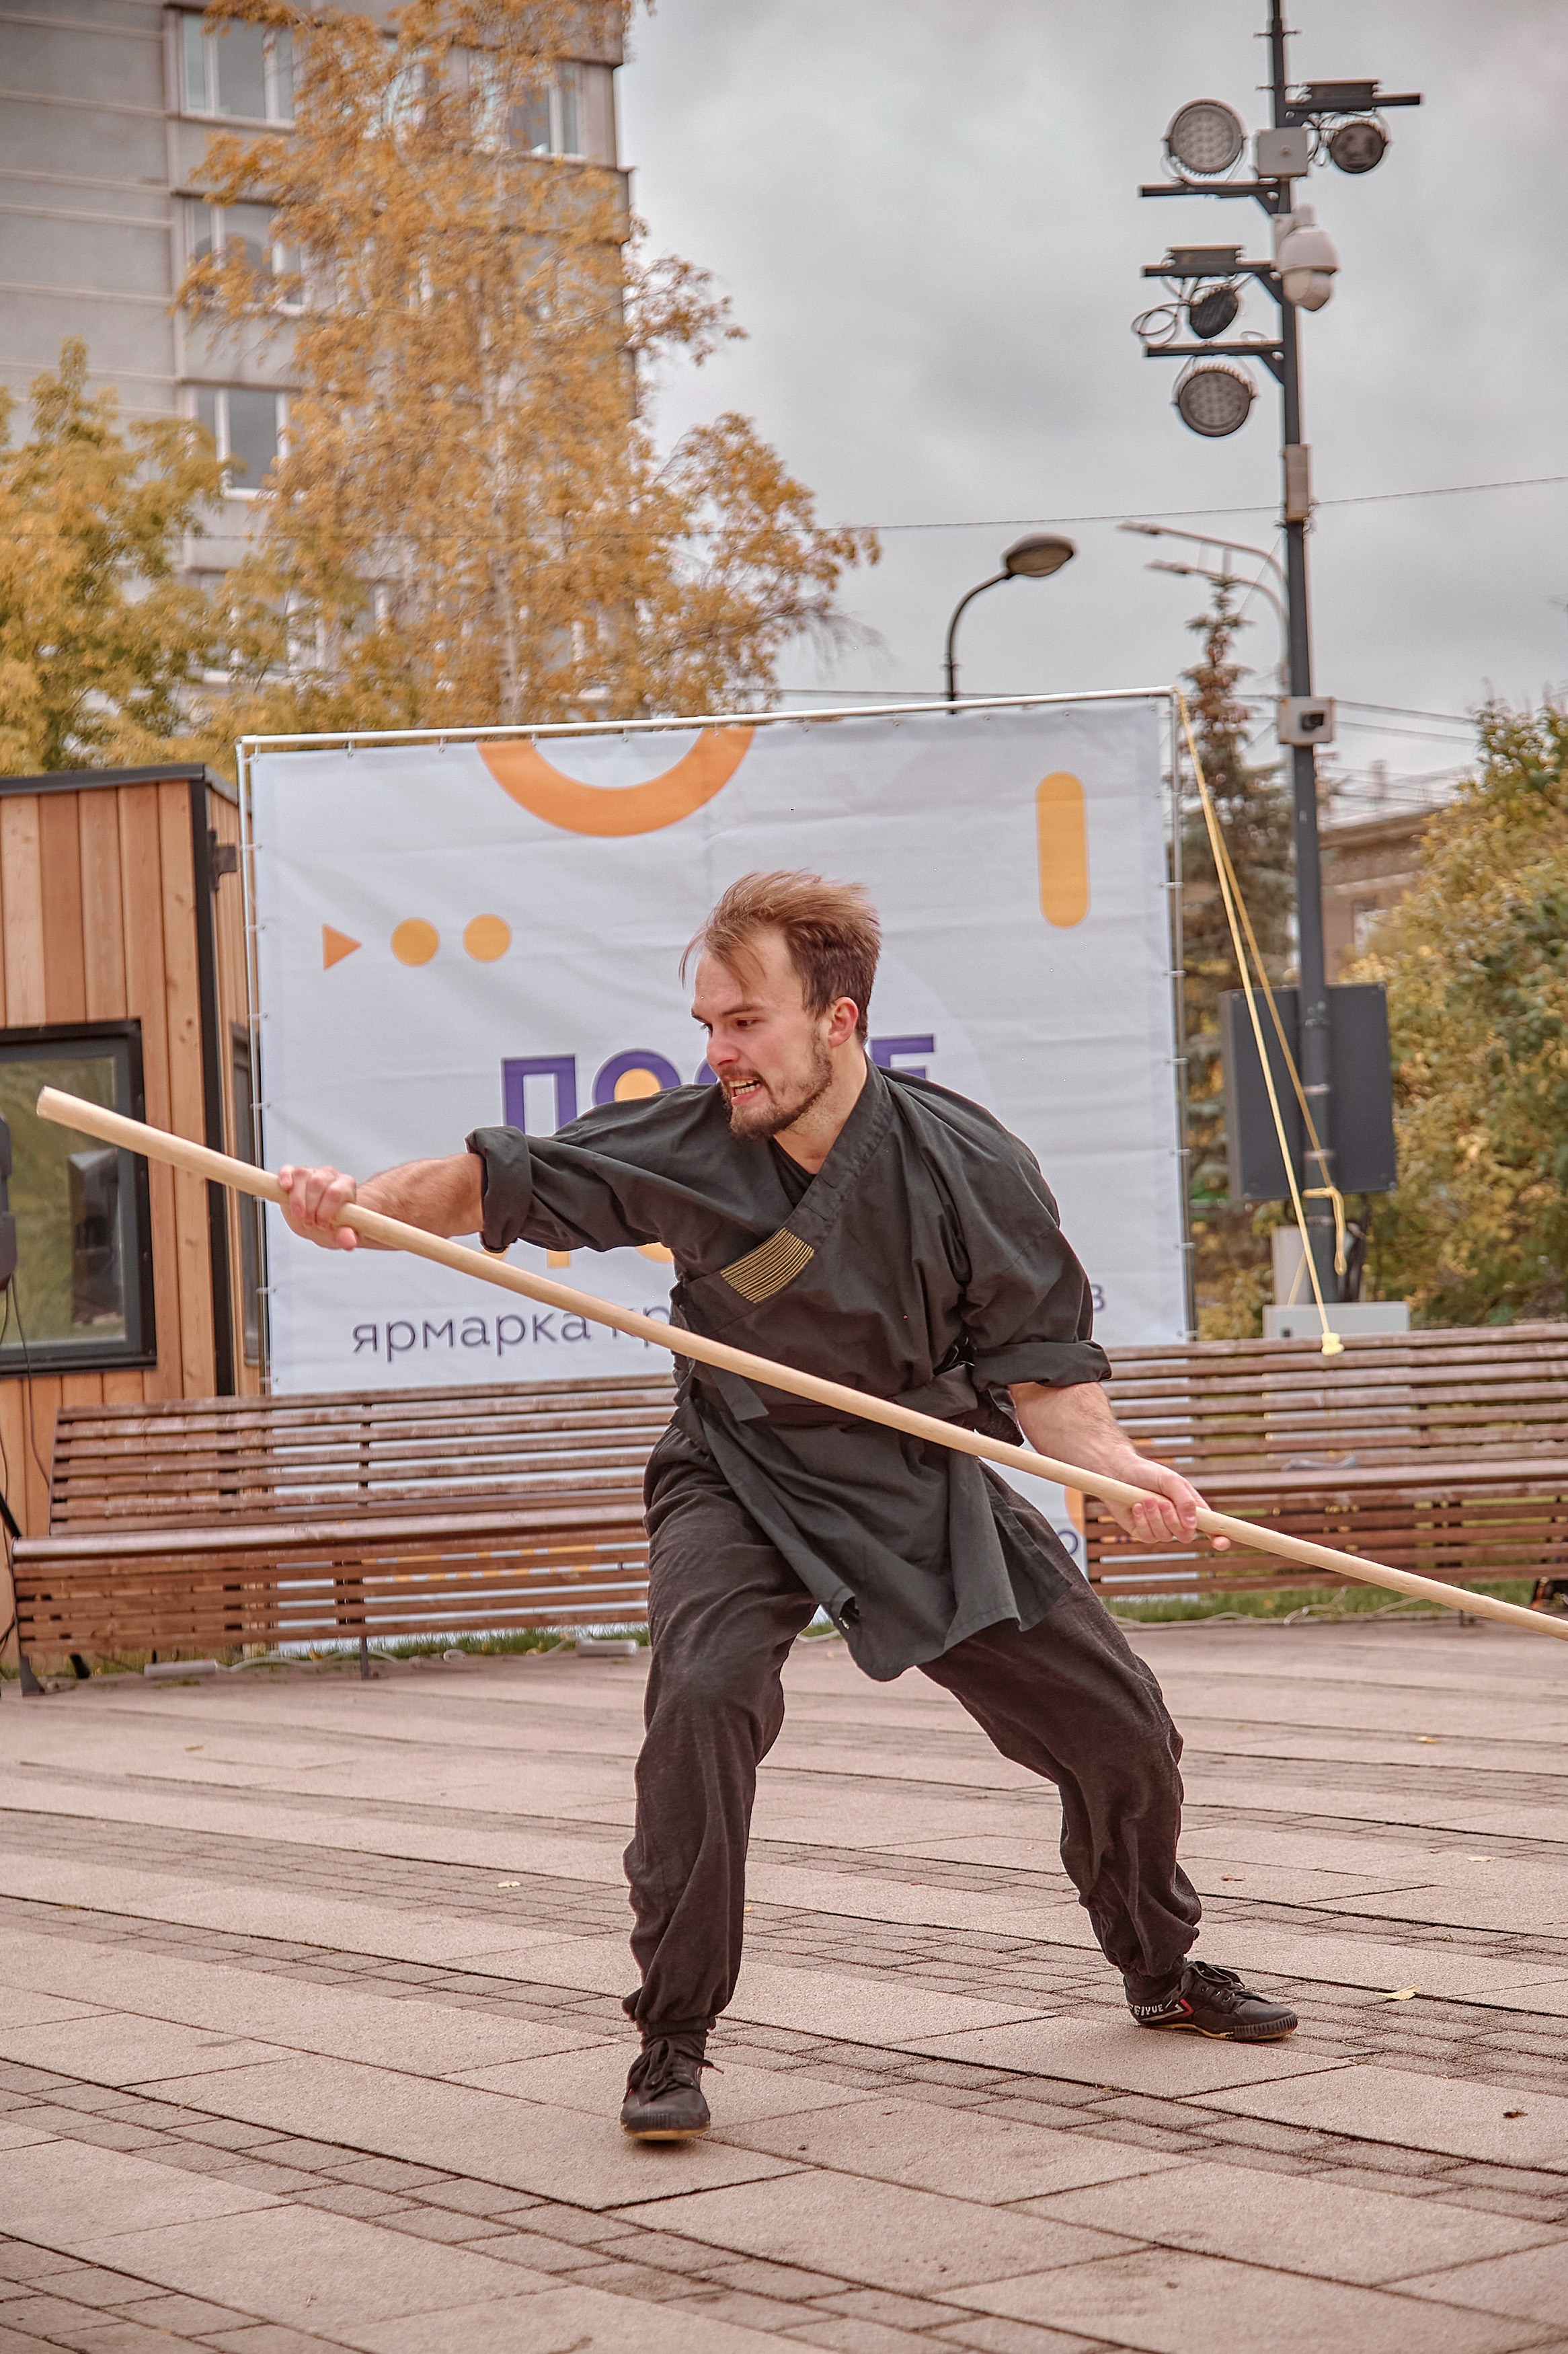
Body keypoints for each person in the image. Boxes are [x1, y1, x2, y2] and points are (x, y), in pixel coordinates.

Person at [280, 870, 1298, 2140]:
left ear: (839, 1020)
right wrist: (355, 1211)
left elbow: (1048, 1381)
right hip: (740, 1468)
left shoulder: (970, 1164)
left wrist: (1123, 1469)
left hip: (913, 1473)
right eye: (709, 1024)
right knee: (703, 1697)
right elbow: (487, 1187)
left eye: (746, 1021)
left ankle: (1160, 1968)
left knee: (1121, 1725)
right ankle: (672, 2036)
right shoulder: (692, 1142)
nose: (720, 1052)